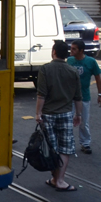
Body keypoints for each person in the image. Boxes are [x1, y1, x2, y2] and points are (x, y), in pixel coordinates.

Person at [35, 39, 83, 191]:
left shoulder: (45, 69)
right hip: (66, 113)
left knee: (51, 148)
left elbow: (41, 95)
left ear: (54, 52)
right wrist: (78, 115)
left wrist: (38, 113)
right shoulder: (73, 71)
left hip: (48, 114)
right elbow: (78, 97)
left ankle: (55, 178)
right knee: (65, 148)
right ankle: (60, 180)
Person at [67, 40, 101, 154]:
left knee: (83, 122)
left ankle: (85, 143)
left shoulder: (91, 62)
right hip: (69, 97)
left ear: (81, 50)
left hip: (84, 97)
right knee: (68, 122)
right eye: (71, 48)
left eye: (74, 49)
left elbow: (98, 78)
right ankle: (68, 144)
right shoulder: (69, 61)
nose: (71, 51)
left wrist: (100, 95)